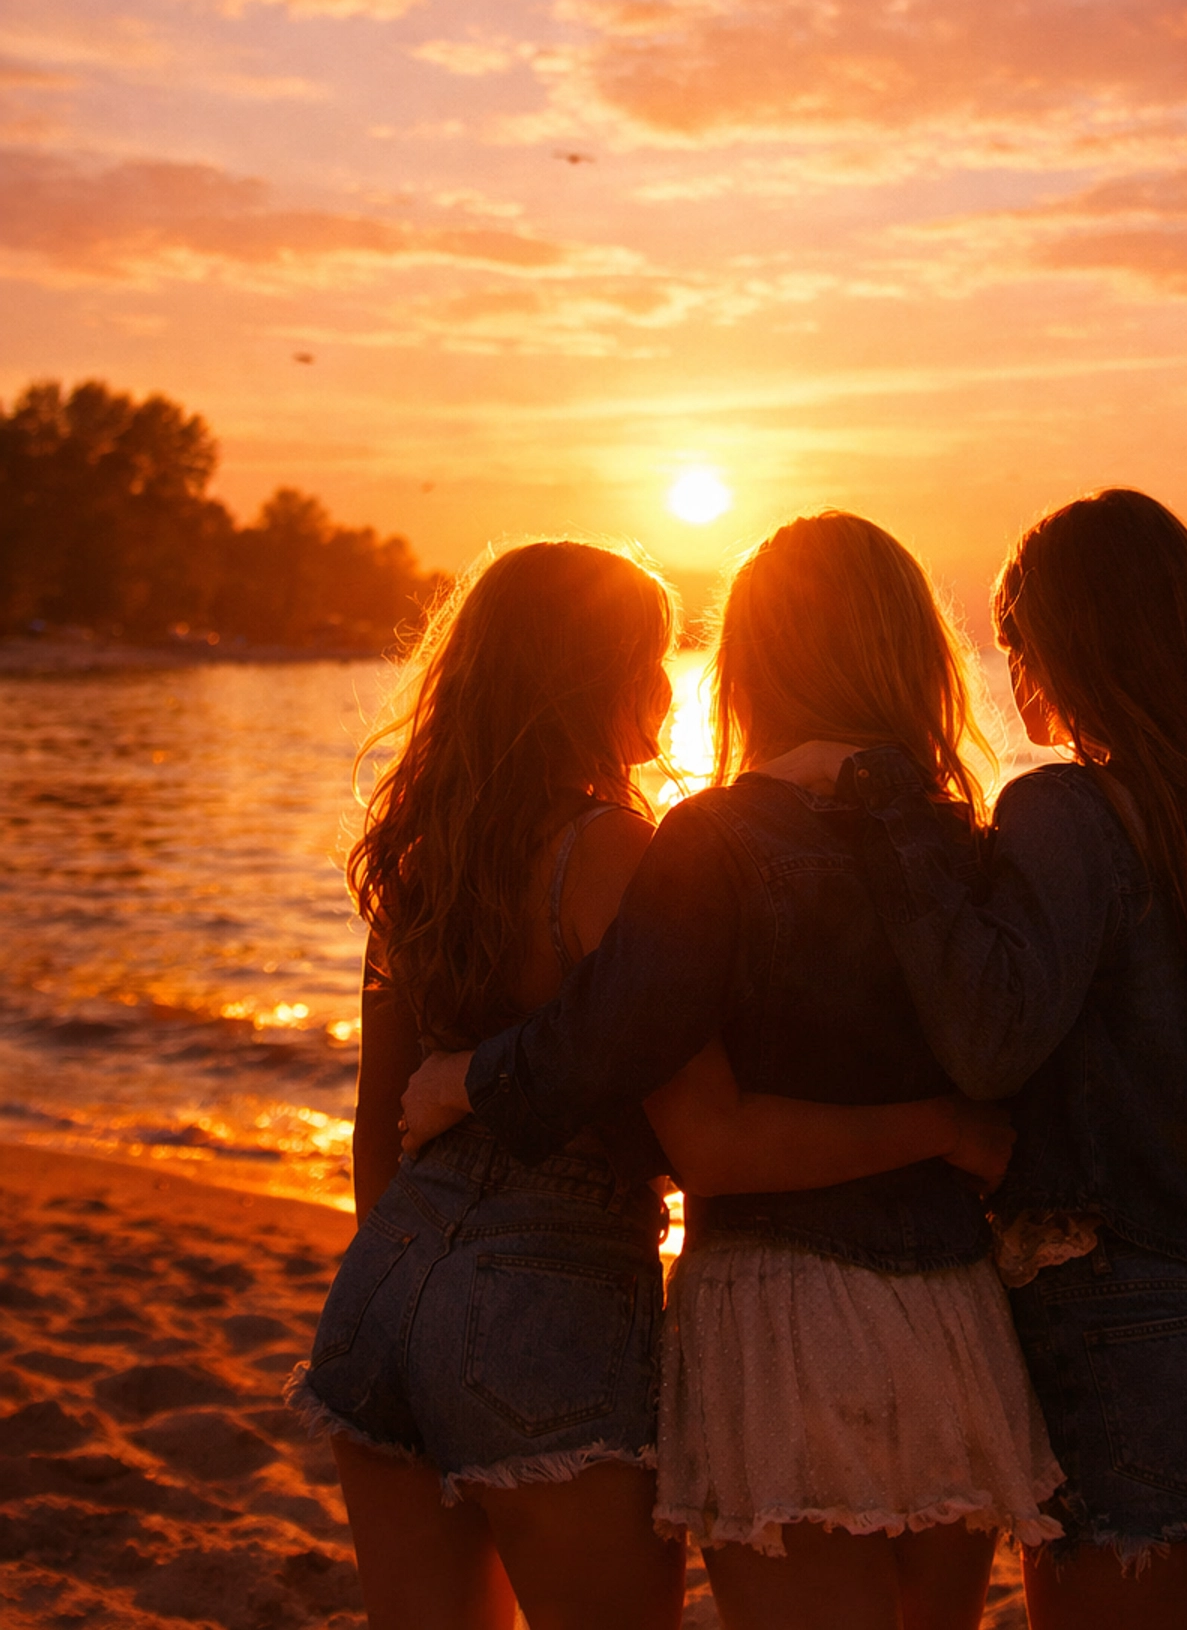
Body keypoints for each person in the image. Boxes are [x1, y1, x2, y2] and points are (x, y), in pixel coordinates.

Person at [289, 537, 1012, 1630]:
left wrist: (406, 1285)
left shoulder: (419, 856)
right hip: (549, 1289)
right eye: (649, 657)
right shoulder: (613, 852)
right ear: (595, 678)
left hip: (384, 1288)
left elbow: (375, 1124)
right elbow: (699, 1131)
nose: (671, 684)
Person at [782, 488, 1187, 1630]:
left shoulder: (1066, 811)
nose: (1010, 670)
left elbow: (989, 1038)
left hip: (1119, 1336)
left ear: (1070, 640)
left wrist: (897, 823)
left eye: (1015, 639)